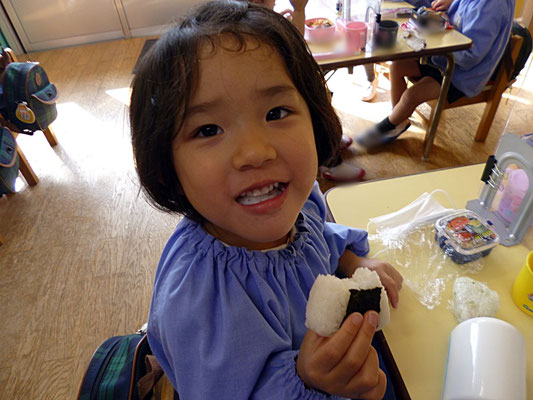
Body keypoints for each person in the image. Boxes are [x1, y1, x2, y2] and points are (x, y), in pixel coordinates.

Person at [130, 1, 403, 398]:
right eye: (208, 130)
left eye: (276, 113)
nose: (255, 153)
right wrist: (308, 381)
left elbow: (320, 238)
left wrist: (352, 262)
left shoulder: (298, 202)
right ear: (166, 164)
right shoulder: (199, 304)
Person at [356, 0, 515, 148]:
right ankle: (399, 119)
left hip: (462, 75)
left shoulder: (492, 6)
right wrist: (447, 8)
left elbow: (470, 57)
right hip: (443, 57)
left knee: (411, 96)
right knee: (397, 67)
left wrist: (436, 36)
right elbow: (456, 19)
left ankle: (389, 125)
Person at [243, 0, 365, 181]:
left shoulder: (251, 18)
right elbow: (295, 49)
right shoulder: (251, 25)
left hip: (270, 91)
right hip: (269, 95)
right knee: (316, 110)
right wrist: (299, 10)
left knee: (322, 96)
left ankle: (331, 138)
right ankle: (328, 161)